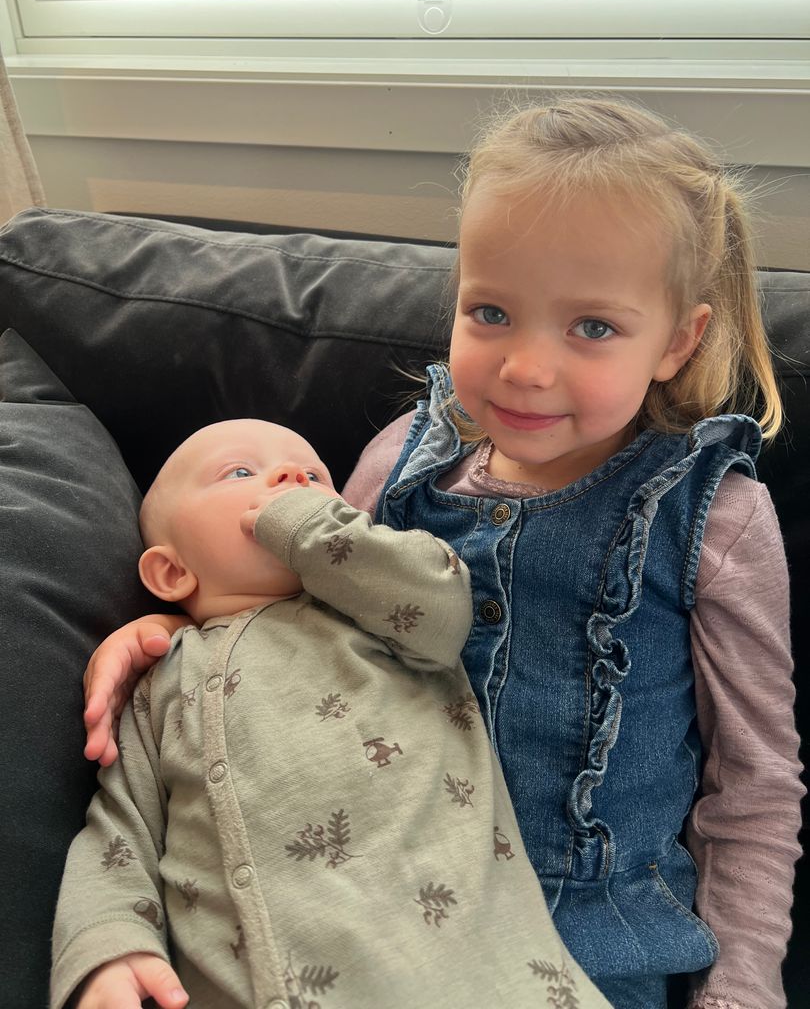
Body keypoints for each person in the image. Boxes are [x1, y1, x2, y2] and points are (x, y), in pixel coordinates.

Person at [82, 97, 805, 1009]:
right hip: (381, 923)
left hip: (595, 941)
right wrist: (158, 629)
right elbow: (290, 624)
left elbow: (754, 786)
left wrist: (740, 986)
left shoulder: (719, 518)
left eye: (592, 327)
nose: (525, 368)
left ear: (678, 340)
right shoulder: (398, 463)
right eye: (490, 311)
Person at [54, 418, 612, 1009]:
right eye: (239, 472)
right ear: (171, 572)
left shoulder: (377, 615)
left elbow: (441, 597)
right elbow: (121, 827)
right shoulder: (158, 682)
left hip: (461, 968)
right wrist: (110, 946)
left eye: (315, 476)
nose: (291, 477)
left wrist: (308, 524)